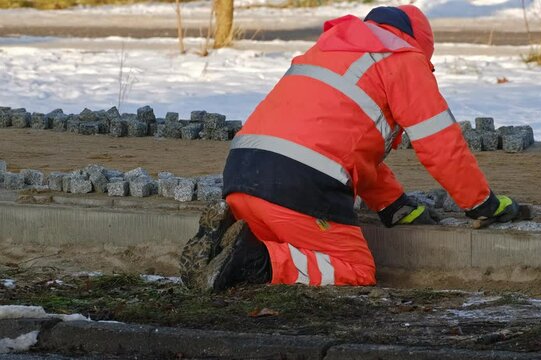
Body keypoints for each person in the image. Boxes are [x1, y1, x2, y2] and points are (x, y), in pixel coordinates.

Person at [179, 5, 520, 291]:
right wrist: (481, 203)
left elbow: (346, 148)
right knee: (354, 269)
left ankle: (233, 240)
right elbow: (440, 143)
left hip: (241, 177)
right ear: (421, 46)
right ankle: (251, 261)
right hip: (297, 188)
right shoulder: (403, 58)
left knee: (294, 239)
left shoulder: (330, 49)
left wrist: (393, 204)